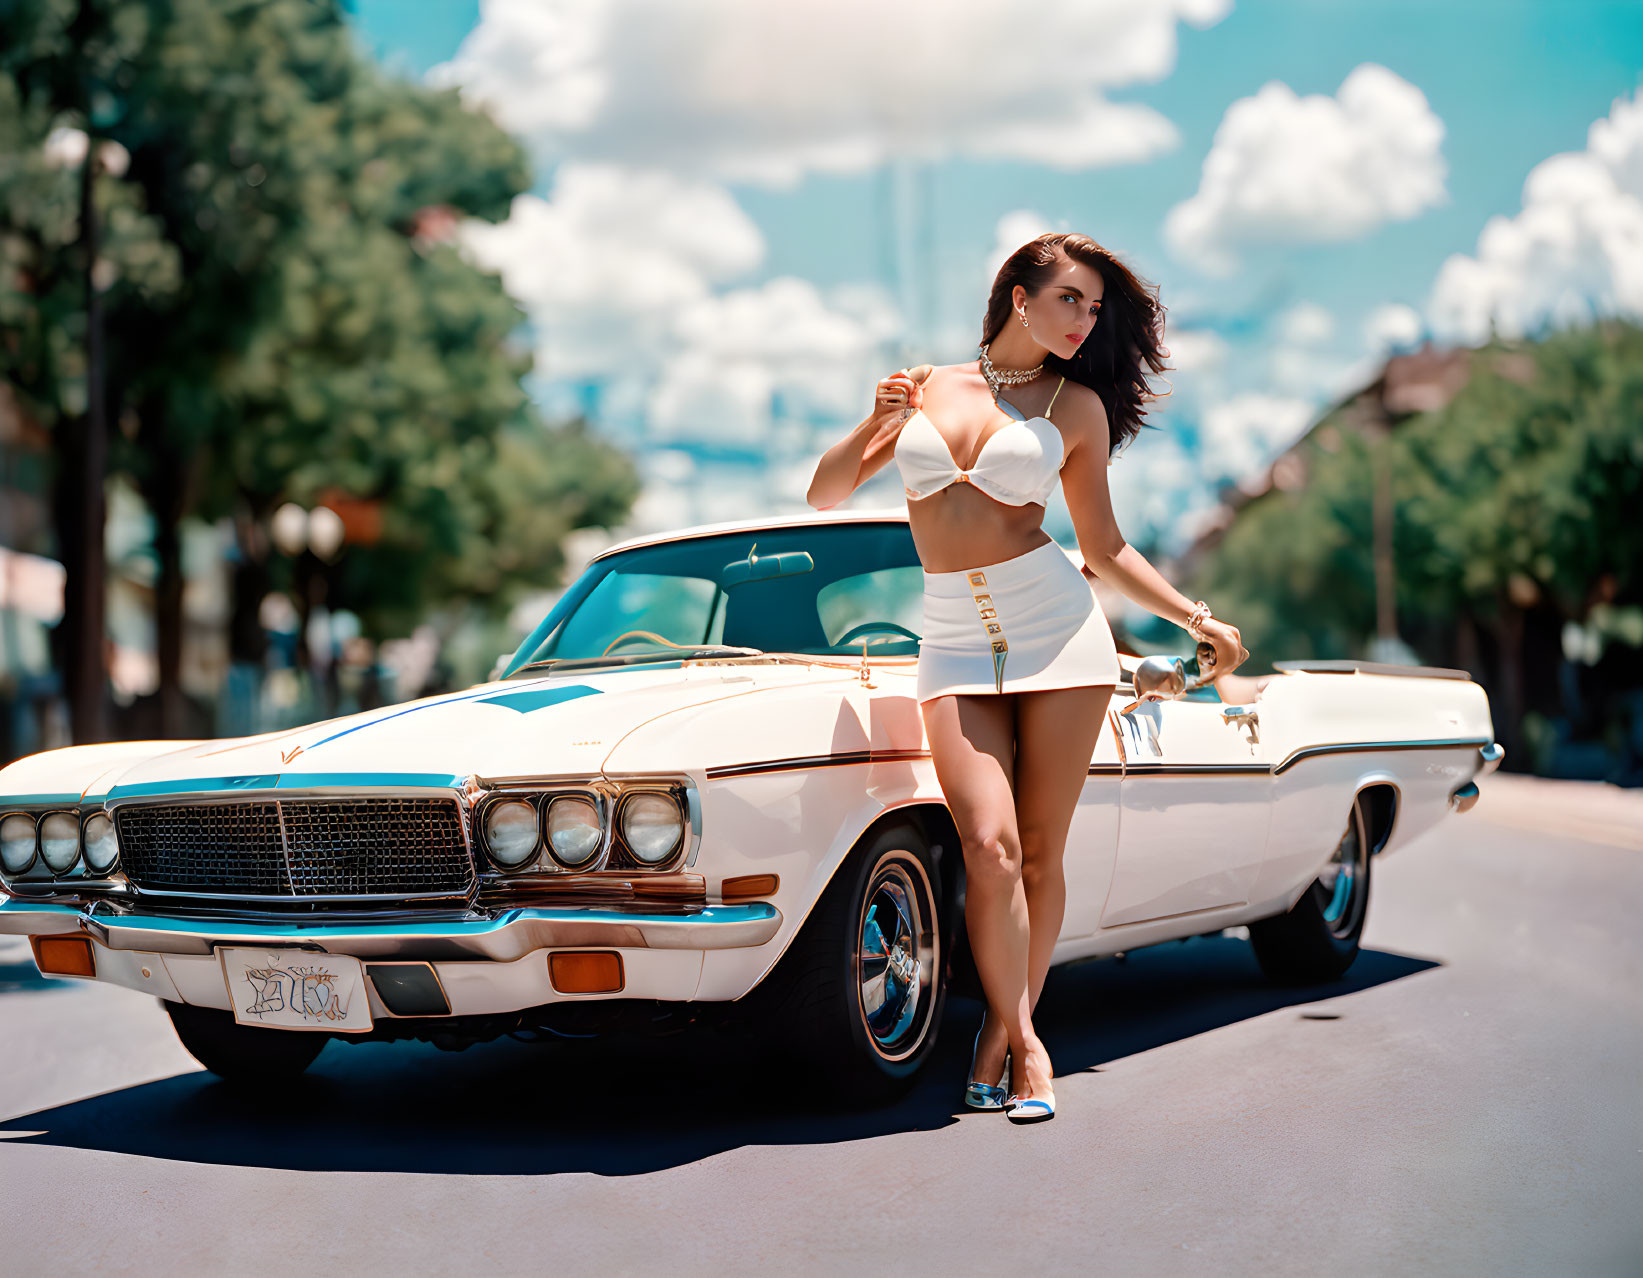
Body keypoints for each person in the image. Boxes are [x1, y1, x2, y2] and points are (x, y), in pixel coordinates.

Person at [806, 232, 1249, 1124]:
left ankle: (1005, 1040)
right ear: (1019, 295)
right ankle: (1026, 1037)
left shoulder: (1076, 406)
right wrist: (875, 421)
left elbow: (1104, 549)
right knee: (989, 845)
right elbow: (825, 494)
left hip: (1059, 635)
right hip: (952, 641)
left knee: (1040, 852)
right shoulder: (923, 386)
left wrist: (1197, 620)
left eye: (1094, 308)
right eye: (1070, 301)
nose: (1085, 321)